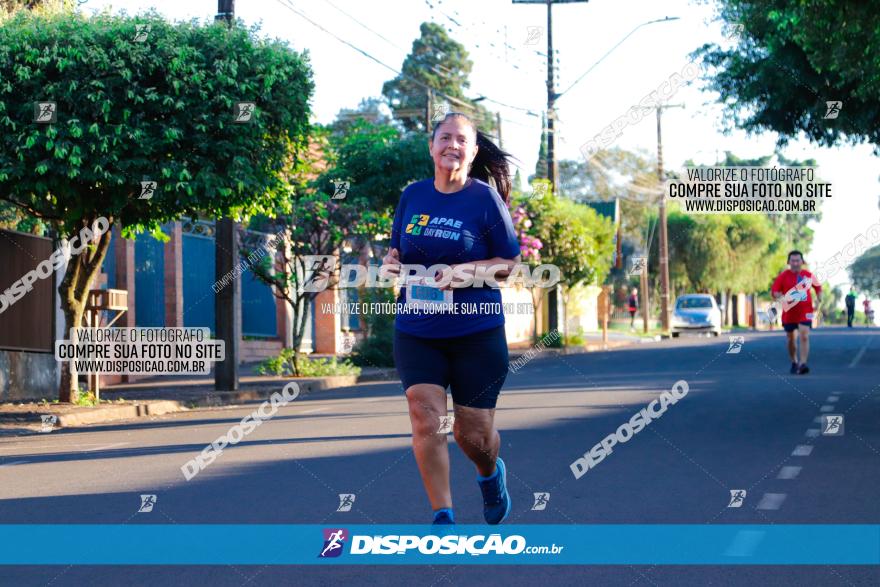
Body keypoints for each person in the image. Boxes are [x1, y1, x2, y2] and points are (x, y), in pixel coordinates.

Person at [381, 112, 521, 526]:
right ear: (431, 146)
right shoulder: (412, 196)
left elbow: (510, 265)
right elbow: (397, 252)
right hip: (417, 329)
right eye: (445, 138)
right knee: (425, 419)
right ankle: (443, 513)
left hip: (475, 332)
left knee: (471, 435)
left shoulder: (483, 199)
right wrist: (391, 263)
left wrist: (466, 273)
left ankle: (489, 474)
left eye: (462, 140)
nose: (452, 146)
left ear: (473, 151)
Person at [771, 251, 822, 375]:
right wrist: (781, 296)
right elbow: (774, 292)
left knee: (804, 335)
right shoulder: (783, 276)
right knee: (791, 339)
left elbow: (818, 288)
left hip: (806, 311)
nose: (795, 263)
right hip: (789, 313)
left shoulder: (808, 275)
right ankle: (794, 361)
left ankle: (803, 363)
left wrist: (819, 300)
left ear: (802, 262)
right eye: (792, 260)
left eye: (797, 260)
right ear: (789, 262)